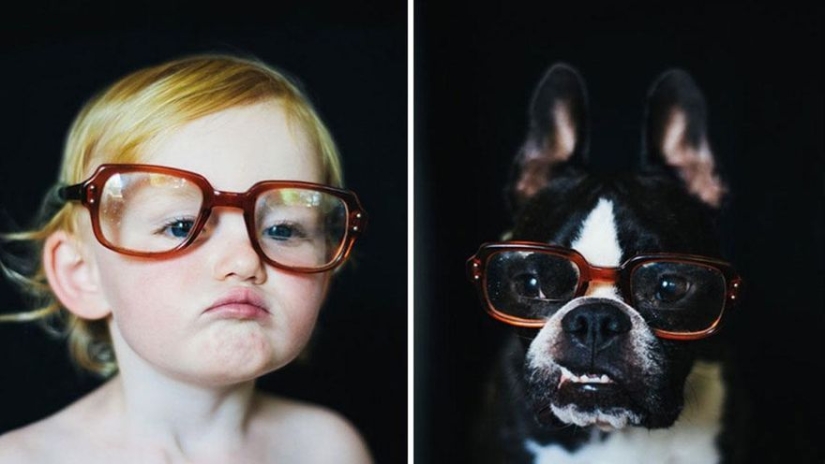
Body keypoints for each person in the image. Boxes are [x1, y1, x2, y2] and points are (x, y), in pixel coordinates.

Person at [0, 53, 373, 463]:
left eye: (283, 230)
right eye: (180, 226)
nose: (244, 262)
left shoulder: (327, 448)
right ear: (82, 275)